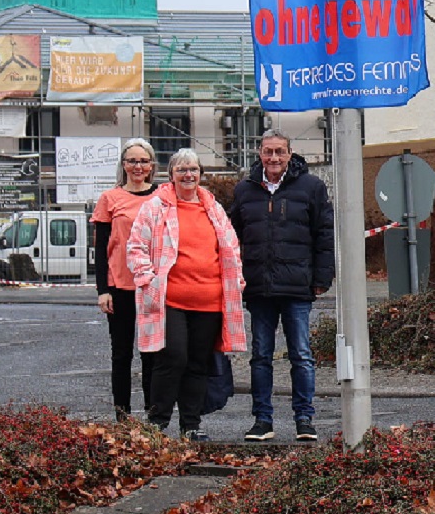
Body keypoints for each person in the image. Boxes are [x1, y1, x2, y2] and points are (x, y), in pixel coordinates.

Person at [126, 148, 247, 441]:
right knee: (173, 358)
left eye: (193, 169)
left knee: (198, 362)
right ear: (171, 175)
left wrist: (237, 280)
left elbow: (231, 247)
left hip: (209, 300)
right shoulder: (155, 207)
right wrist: (148, 279)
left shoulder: (214, 208)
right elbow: (136, 247)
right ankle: (157, 421)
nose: (188, 175)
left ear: (201, 174)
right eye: (181, 170)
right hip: (170, 299)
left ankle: (191, 425)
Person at [229, 131, 334, 442]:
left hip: (298, 287)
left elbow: (324, 235)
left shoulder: (311, 188)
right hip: (258, 287)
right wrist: (233, 279)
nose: (273, 158)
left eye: (279, 152)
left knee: (301, 354)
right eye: (268, 151)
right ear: (259, 153)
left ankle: (304, 418)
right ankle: (262, 420)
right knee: (261, 355)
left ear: (290, 154)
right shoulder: (245, 190)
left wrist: (322, 278)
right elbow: (231, 239)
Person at [91, 137, 160, 420]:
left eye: (143, 161)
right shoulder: (110, 198)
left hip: (152, 287)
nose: (138, 166)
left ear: (152, 165)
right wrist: (102, 290)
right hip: (119, 286)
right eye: (132, 161)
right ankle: (122, 415)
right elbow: (101, 248)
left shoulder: (162, 196)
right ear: (123, 165)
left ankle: (153, 416)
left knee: (152, 355)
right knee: (121, 355)